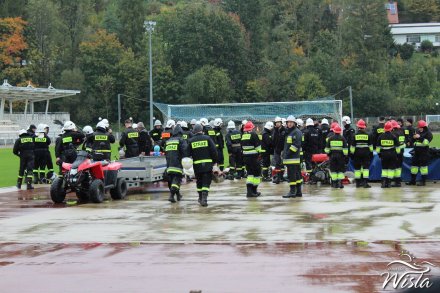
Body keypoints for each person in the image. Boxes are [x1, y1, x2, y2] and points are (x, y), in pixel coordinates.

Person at [188, 123, 218, 207]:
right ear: (202, 130)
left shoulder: (191, 140)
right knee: (206, 182)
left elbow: (187, 154)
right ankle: (204, 199)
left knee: (199, 182)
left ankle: (200, 197)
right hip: (207, 165)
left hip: (197, 166)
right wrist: (214, 161)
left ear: (194, 131)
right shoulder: (207, 138)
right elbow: (214, 151)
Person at [164, 125, 188, 203]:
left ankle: (178, 195)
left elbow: (165, 152)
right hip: (177, 164)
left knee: (172, 181)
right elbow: (185, 151)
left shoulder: (168, 141)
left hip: (169, 165)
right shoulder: (181, 140)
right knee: (177, 181)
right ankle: (171, 196)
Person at [407, 120, 433, 186]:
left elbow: (426, 142)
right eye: (419, 127)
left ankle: (423, 182)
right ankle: (413, 181)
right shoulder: (417, 131)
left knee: (423, 167)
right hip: (416, 152)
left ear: (424, 127)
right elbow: (414, 140)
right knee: (414, 167)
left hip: (424, 152)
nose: (419, 129)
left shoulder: (428, 133)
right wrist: (412, 138)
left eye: (421, 127)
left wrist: (419, 137)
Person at [282, 115, 303, 197]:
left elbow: (296, 145)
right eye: (288, 122)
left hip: (292, 158)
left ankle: (292, 191)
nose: (289, 124)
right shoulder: (289, 132)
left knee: (292, 176)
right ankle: (298, 192)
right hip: (291, 158)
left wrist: (287, 154)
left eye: (291, 122)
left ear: (294, 123)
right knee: (297, 175)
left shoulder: (296, 132)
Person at [241, 121, 262, 197]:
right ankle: (253, 191)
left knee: (250, 174)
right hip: (254, 158)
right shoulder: (253, 135)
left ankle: (250, 192)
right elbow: (258, 147)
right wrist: (261, 153)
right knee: (256, 174)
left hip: (246, 158)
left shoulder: (243, 136)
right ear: (251, 128)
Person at [350, 119, 373, 188]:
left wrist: (352, 154)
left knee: (357, 169)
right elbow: (370, 146)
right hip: (366, 154)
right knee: (365, 168)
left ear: (358, 127)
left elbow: (352, 146)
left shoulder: (354, 135)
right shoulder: (368, 135)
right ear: (364, 127)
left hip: (357, 154)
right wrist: (371, 153)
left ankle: (358, 183)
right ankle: (365, 183)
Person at [376, 121, 399, 188]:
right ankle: (389, 183)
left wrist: (379, 154)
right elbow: (397, 147)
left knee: (384, 169)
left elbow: (377, 148)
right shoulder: (394, 136)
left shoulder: (380, 136)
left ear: (385, 128)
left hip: (384, 155)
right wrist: (397, 155)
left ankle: (383, 183)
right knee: (391, 169)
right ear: (391, 128)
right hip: (392, 155)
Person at [391, 120, 405, 187]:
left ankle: (396, 182)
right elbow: (403, 144)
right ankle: (398, 182)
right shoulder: (401, 132)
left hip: (395, 153)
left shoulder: (393, 134)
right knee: (398, 168)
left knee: (395, 167)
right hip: (401, 152)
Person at [272, 116, 285, 184]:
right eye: (276, 122)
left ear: (281, 123)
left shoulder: (284, 130)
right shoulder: (274, 130)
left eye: (278, 122)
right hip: (277, 149)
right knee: (277, 164)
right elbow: (273, 140)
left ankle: (281, 177)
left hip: (283, 149)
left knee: (282, 164)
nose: (277, 124)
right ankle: (278, 178)